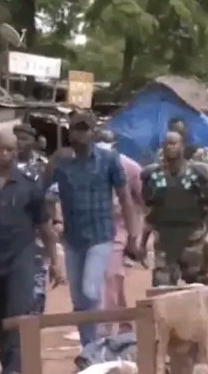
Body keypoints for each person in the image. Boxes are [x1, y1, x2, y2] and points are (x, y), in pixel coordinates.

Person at [0, 131, 63, 374]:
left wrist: (55, 261)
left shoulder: (29, 185)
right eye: (2, 149)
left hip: (21, 256)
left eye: (12, 150)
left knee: (19, 310)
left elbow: (44, 226)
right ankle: (7, 364)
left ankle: (16, 369)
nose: (7, 154)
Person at [46, 111, 139, 347]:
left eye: (85, 129)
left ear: (93, 132)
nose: (80, 134)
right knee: (78, 300)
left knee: (90, 291)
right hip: (73, 239)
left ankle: (98, 340)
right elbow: (42, 191)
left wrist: (133, 235)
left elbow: (125, 198)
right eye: (76, 129)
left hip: (101, 236)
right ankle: (89, 348)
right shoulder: (62, 162)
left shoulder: (109, 160)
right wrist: (53, 219)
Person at [141, 130, 208, 287]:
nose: (170, 147)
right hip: (165, 241)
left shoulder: (198, 173)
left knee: (200, 287)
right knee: (162, 286)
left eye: (174, 143)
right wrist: (142, 244)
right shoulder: (154, 176)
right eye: (167, 144)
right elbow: (151, 213)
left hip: (193, 240)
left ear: (182, 146)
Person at [95, 131, 143, 337]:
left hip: (119, 232)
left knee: (110, 278)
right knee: (112, 282)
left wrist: (135, 236)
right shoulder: (88, 166)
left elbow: (141, 201)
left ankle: (106, 332)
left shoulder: (130, 168)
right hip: (94, 231)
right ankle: (125, 326)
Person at [13, 123, 51, 314]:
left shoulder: (43, 167)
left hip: (36, 230)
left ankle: (33, 321)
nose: (19, 143)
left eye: (24, 139)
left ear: (33, 142)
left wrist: (57, 221)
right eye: (16, 138)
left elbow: (52, 197)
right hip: (10, 232)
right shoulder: (2, 166)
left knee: (36, 283)